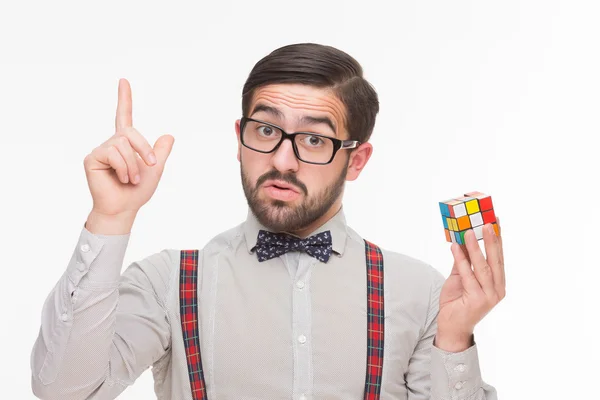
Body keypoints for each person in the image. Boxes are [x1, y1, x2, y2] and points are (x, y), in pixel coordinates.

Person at [30, 43, 504, 400]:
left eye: (314, 140)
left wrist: (454, 340)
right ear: (239, 138)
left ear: (356, 161)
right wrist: (111, 218)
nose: (283, 160)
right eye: (266, 130)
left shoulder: (420, 294)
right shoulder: (167, 283)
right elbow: (64, 390)